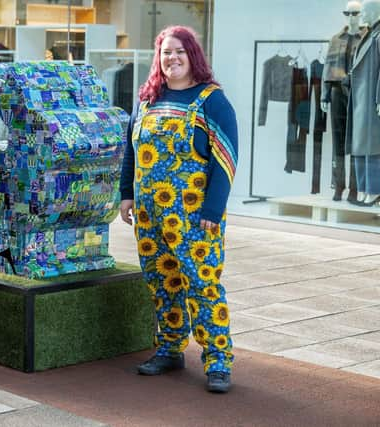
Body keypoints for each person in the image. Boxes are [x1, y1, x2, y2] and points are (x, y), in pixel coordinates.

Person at [119, 26, 238, 393]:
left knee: (202, 286)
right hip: (150, 216)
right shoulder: (147, 98)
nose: (172, 58)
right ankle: (169, 348)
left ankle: (218, 361)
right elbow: (131, 152)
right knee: (162, 283)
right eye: (166, 52)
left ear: (193, 56)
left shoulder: (212, 101)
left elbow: (226, 160)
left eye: (179, 52)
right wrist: (127, 195)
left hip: (194, 218)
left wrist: (213, 211)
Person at [321, 0, 364, 203]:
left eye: (355, 14)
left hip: (358, 93)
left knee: (356, 142)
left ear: (361, 15)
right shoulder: (335, 39)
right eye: (348, 14)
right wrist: (324, 94)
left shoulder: (367, 38)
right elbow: (328, 68)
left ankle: (355, 189)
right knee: (338, 142)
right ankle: (338, 185)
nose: (351, 18)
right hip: (338, 91)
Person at [347, 0, 380, 206]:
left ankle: (374, 190)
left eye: (366, 11)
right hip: (361, 98)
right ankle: (363, 189)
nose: (362, 15)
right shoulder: (369, 34)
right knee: (360, 144)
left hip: (370, 99)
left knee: (372, 145)